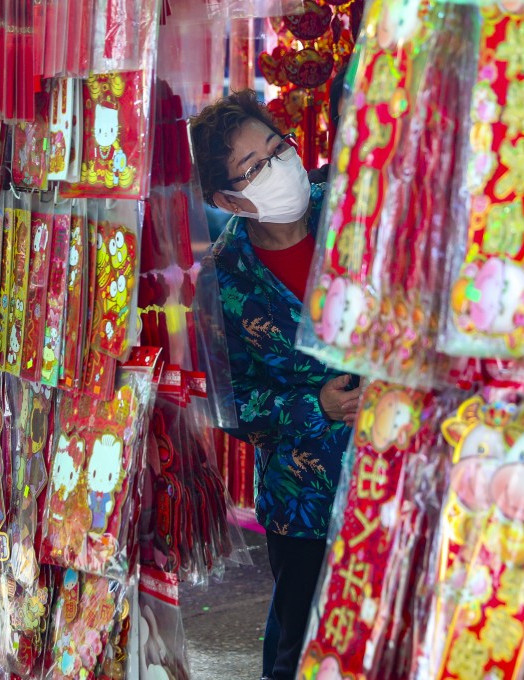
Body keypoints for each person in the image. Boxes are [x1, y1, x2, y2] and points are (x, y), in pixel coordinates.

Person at [190, 91, 360, 680]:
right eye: (256, 166)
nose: (280, 165)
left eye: (278, 147)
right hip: (304, 496)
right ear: (227, 197)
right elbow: (229, 403)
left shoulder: (352, 203)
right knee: (305, 645)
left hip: (394, 463)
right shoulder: (223, 277)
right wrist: (314, 406)